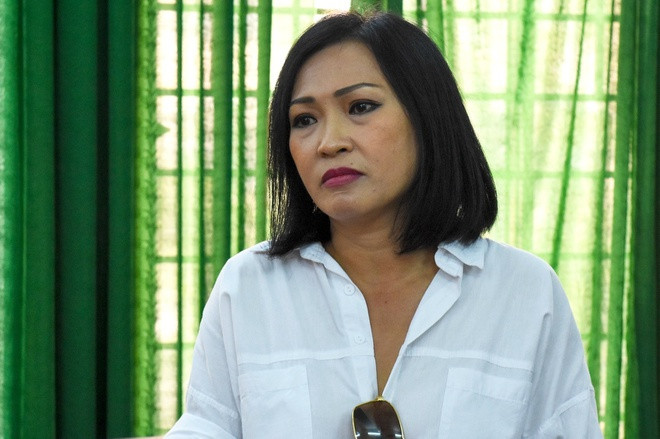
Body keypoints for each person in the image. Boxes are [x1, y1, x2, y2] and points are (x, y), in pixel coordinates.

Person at [166, 11, 602, 438]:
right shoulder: (249, 287)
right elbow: (207, 427)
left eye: (361, 107)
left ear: (427, 117)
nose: (329, 142)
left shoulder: (525, 292)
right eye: (304, 120)